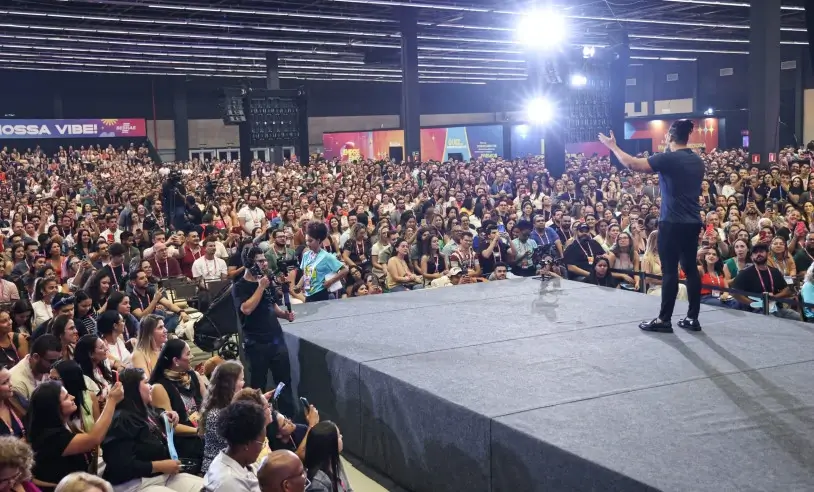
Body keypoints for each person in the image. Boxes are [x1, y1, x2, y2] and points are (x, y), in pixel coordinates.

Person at [599, 119, 704, 332]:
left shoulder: (669, 158)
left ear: (670, 137)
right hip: (693, 222)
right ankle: (692, 318)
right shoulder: (698, 160)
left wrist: (613, 147)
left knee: (669, 272)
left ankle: (664, 320)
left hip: (672, 223)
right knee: (691, 269)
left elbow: (632, 164)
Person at [100, 368, 203, 492]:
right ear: (133, 388)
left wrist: (166, 415)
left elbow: (155, 415)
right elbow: (121, 465)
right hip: (135, 483)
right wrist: (159, 466)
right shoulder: (121, 420)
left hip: (159, 476)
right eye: (146, 382)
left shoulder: (142, 408)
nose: (150, 386)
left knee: (206, 487)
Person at [27, 378, 123, 491]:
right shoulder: (49, 437)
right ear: (53, 407)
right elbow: (93, 439)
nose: (72, 397)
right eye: (66, 397)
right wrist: (111, 401)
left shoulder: (66, 424)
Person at [232, 246, 295, 415]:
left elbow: (271, 304)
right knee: (257, 385)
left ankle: (287, 418)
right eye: (260, 261)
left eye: (265, 260)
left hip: (276, 339)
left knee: (284, 382)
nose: (264, 264)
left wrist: (284, 315)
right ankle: (258, 420)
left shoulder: (266, 281)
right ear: (250, 264)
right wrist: (260, 287)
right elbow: (246, 309)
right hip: (256, 343)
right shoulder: (240, 286)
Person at [201, 401, 267, 492]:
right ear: (247, 444)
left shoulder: (239, 460)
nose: (262, 448)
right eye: (262, 443)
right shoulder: (228, 483)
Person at [731, 243, 801, 320]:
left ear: (767, 254)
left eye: (761, 251)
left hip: (776, 308)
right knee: (772, 320)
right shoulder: (745, 273)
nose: (758, 254)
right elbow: (734, 292)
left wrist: (774, 297)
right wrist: (752, 303)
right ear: (751, 257)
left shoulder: (775, 272)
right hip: (757, 311)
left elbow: (787, 290)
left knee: (797, 317)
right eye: (755, 253)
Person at [200, 361, 245, 474]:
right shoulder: (216, 414)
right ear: (229, 383)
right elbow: (236, 444)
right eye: (240, 380)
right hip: (218, 469)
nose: (243, 383)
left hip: (231, 464)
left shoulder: (231, 405)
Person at [9, 335, 62, 416]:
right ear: (36, 357)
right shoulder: (16, 383)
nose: (54, 366)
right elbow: (28, 419)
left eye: (58, 360)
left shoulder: (47, 369)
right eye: (52, 361)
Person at [299, 222, 347, 302]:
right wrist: (298, 285)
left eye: (310, 241)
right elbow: (306, 273)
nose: (308, 243)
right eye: (306, 241)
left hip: (321, 293)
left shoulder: (327, 256)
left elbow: (344, 270)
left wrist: (331, 281)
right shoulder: (306, 255)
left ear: (318, 240)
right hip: (308, 293)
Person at [303, 421, 352, 492]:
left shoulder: (335, 460)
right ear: (330, 445)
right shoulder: (318, 483)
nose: (341, 436)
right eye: (338, 436)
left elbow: (348, 489)